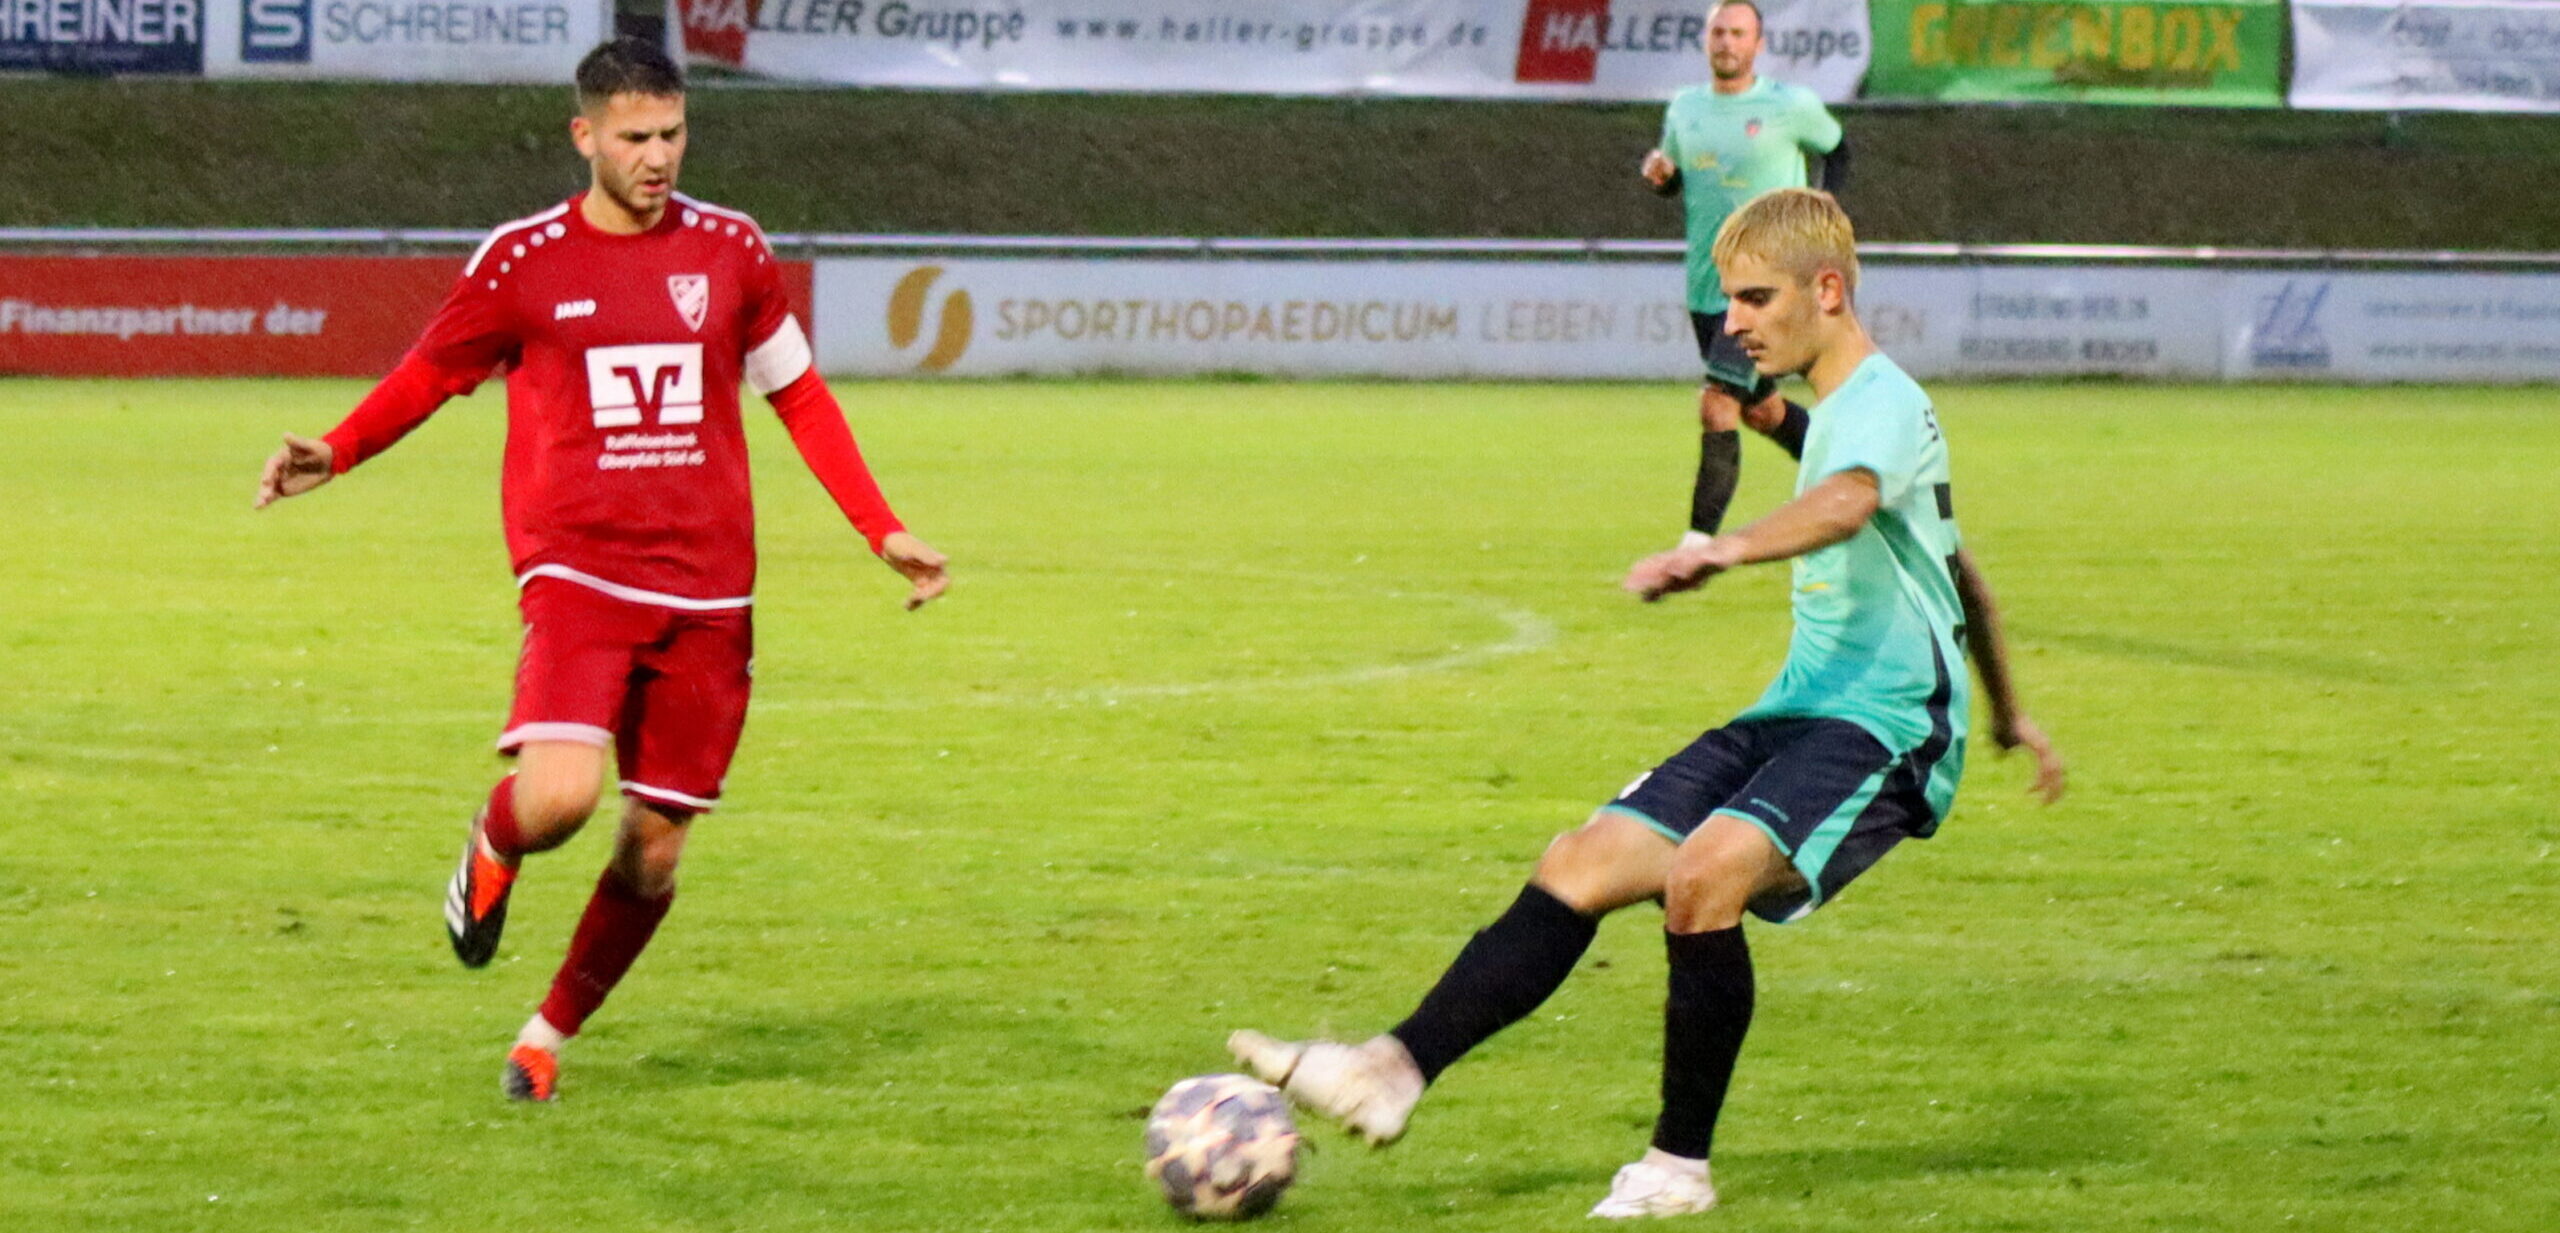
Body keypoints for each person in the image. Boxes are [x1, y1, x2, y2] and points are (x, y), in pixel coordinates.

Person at [1229, 189, 2063, 1219]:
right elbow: (1955, 565)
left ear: (1828, 290)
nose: (1734, 323)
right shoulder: (1844, 416)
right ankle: (1388, 1071)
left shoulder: (1885, 401)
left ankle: (1677, 1168)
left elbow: (1847, 504)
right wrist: (2011, 711)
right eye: (1727, 304)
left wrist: (1724, 545)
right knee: (1580, 862)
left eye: (1755, 299)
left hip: (1885, 727)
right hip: (1801, 708)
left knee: (1705, 876)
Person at [253, 37, 949, 1103]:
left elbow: (798, 395)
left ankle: (544, 1036)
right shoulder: (524, 259)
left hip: (712, 588)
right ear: (586, 137)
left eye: (671, 133)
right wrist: (337, 449)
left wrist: (879, 526)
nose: (657, 156)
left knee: (655, 853)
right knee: (563, 798)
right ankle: (497, 836)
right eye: (634, 137)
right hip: (579, 571)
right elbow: (436, 370)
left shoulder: (732, 251)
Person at [1641, 0, 1852, 556]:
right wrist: (1661, 178)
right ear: (1706, 41)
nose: (1727, 42)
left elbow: (1838, 150)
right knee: (1762, 411)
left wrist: (1824, 209)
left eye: (1738, 33)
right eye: (1718, 33)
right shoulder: (1684, 109)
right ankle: (1857, 478)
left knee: (1718, 402)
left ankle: (1695, 547)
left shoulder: (1789, 105)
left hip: (1769, 287)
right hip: (1706, 286)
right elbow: (1677, 179)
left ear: (1758, 45)